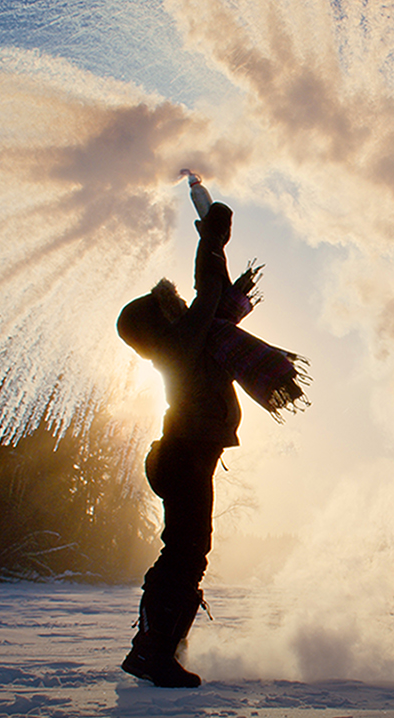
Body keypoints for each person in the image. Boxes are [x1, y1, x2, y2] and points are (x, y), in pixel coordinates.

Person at [114, 201, 306, 688]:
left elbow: (212, 302)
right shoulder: (180, 343)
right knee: (185, 553)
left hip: (187, 455)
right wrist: (212, 240)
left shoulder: (183, 345)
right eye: (167, 306)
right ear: (160, 321)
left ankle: (156, 649)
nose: (178, 307)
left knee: (184, 551)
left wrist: (214, 247)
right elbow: (208, 294)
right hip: (186, 456)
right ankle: (155, 653)